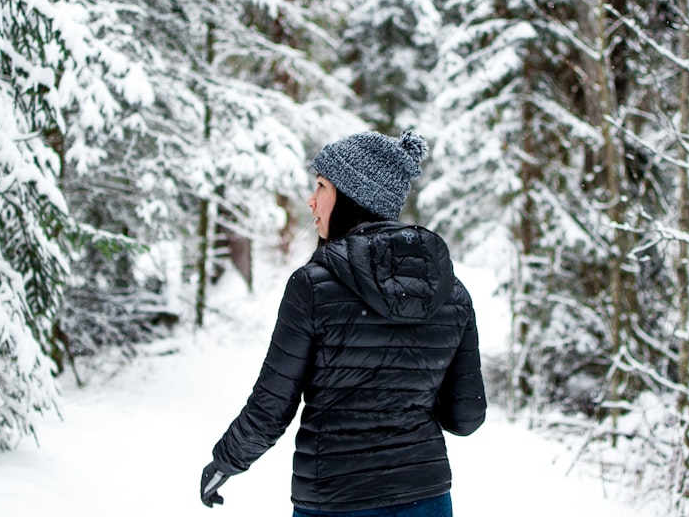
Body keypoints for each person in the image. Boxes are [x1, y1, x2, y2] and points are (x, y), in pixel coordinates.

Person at [200, 130, 486, 517]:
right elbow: (465, 417)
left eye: (321, 185)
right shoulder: (451, 292)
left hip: (335, 500)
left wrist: (226, 461)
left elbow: (273, 405)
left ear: (353, 195)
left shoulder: (312, 287)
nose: (311, 199)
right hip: (425, 498)